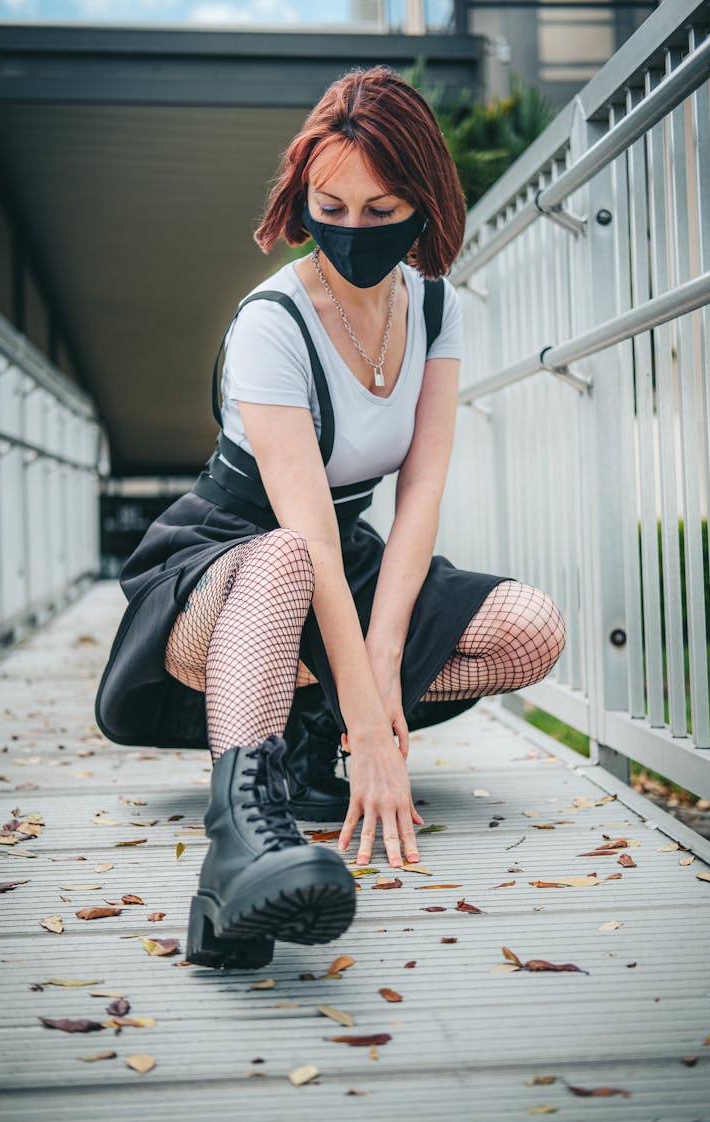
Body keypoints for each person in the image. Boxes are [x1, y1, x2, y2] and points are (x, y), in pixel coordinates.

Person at [94, 66, 566, 971]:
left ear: (424, 201)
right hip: (224, 562)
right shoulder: (271, 322)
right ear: (302, 196)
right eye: (331, 205)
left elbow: (420, 490)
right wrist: (370, 709)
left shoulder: (434, 304)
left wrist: (380, 697)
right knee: (283, 560)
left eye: (382, 208)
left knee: (529, 630)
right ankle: (242, 837)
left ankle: (316, 745)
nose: (354, 230)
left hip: (340, 553)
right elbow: (302, 536)